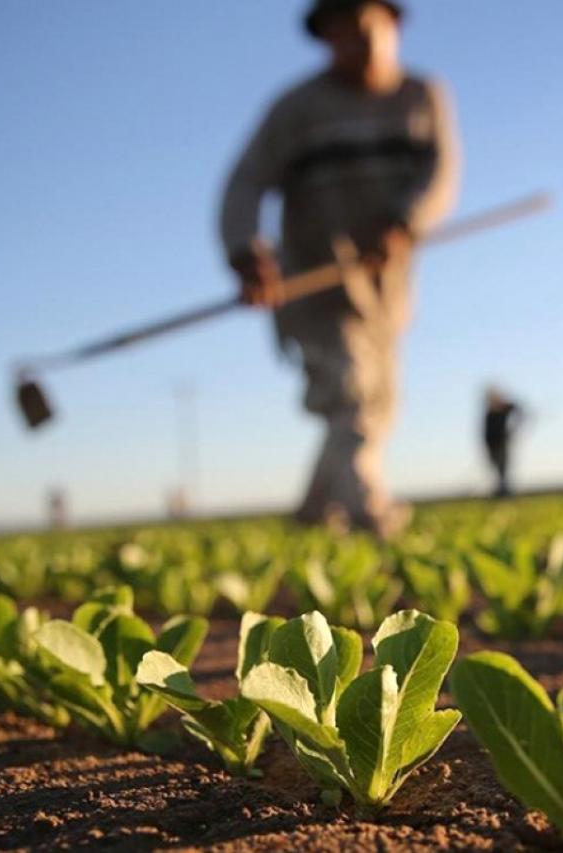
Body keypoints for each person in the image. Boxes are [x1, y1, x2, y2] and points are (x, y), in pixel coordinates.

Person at [220, 0, 460, 537]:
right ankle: (369, 513)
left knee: (377, 402)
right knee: (350, 392)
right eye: (345, 33)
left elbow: (440, 173)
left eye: (369, 29)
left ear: (393, 27)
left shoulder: (423, 97)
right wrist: (244, 251)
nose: (360, 43)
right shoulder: (296, 109)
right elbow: (245, 182)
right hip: (314, 281)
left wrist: (404, 222)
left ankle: (312, 513)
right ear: (325, 38)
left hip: (386, 287)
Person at [483, 387, 523, 498]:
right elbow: (486, 433)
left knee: (503, 469)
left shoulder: (504, 408)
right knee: (497, 470)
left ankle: (504, 493)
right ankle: (500, 491)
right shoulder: (489, 413)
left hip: (502, 444)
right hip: (492, 446)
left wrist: (514, 428)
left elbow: (519, 409)